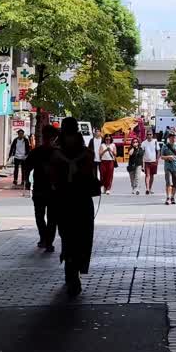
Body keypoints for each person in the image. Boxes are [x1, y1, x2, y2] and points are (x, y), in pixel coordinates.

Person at [52, 116, 99, 297]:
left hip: (62, 201)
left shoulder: (55, 155)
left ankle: (70, 271)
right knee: (83, 237)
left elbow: (52, 178)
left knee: (66, 236)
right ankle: (76, 271)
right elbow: (91, 177)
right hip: (82, 201)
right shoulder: (87, 154)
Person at [25, 126, 58, 252]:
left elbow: (27, 166)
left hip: (39, 188)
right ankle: (48, 241)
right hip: (53, 190)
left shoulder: (36, 152)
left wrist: (27, 181)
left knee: (40, 215)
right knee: (52, 217)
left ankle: (44, 238)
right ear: (54, 138)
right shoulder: (57, 152)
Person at [161, 132, 176, 205]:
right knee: (169, 182)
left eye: (174, 137)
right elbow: (161, 157)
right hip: (168, 167)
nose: (173, 138)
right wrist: (168, 157)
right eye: (172, 137)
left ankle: (172, 196)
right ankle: (168, 197)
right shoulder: (165, 146)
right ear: (169, 138)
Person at [140, 130, 160, 195]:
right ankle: (147, 189)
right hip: (146, 162)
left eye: (150, 134)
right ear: (146, 135)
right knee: (147, 175)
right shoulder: (143, 143)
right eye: (148, 134)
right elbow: (141, 153)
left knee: (152, 175)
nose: (149, 136)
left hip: (153, 161)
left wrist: (157, 160)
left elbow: (158, 151)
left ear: (152, 135)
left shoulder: (155, 142)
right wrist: (141, 163)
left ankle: (150, 188)